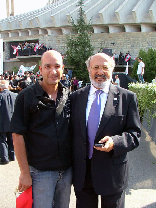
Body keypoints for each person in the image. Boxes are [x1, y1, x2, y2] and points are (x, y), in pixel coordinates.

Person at [70, 52, 141, 208]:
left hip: (112, 173)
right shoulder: (75, 98)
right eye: (96, 67)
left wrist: (115, 142)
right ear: (89, 69)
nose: (100, 72)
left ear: (112, 69)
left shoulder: (127, 98)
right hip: (83, 173)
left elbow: (134, 134)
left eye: (105, 67)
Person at [9, 50, 72, 208]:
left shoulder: (68, 95)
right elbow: (17, 135)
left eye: (57, 66)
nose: (53, 71)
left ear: (63, 68)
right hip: (40, 173)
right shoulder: (26, 96)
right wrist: (24, 172)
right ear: (40, 69)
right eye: (48, 66)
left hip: (66, 172)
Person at [0, 80, 18, 164]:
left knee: (2, 140)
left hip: (2, 121)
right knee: (11, 139)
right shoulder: (15, 95)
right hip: (13, 121)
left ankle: (4, 157)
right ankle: (12, 155)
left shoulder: (0, 96)